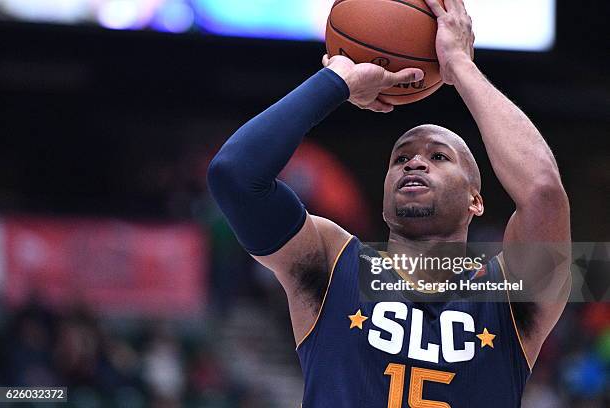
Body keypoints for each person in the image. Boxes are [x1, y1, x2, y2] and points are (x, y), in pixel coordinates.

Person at [207, 0, 571, 406]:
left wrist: (460, 66)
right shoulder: (333, 263)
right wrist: (336, 80)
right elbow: (235, 176)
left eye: (438, 156)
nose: (414, 161)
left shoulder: (509, 294)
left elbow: (542, 191)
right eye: (400, 158)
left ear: (476, 200)